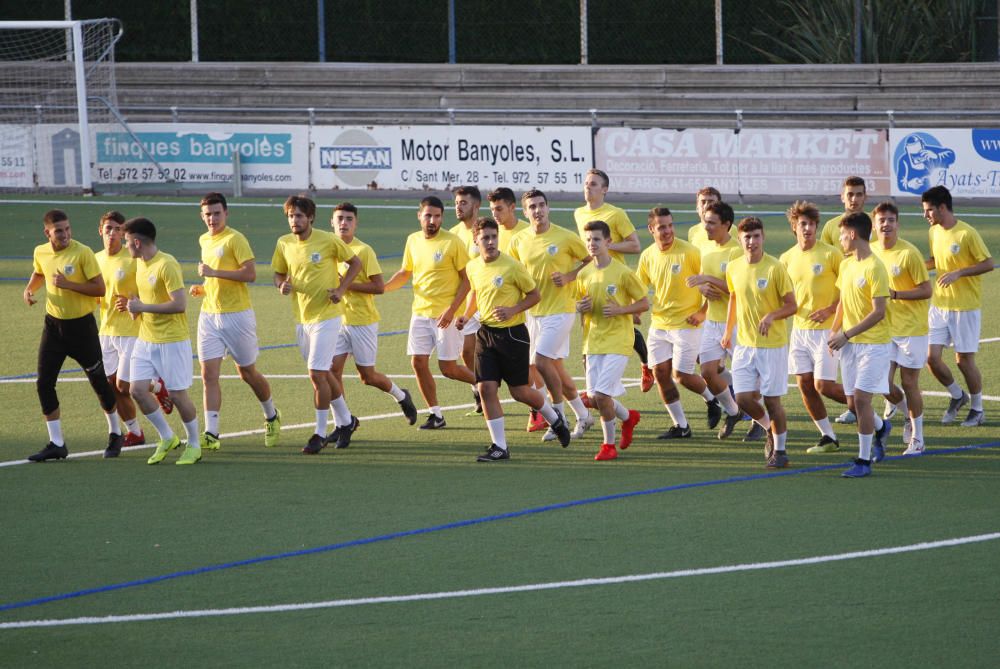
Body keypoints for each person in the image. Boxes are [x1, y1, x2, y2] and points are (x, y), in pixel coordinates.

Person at [459, 217, 570, 461]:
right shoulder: (473, 267)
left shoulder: (512, 266)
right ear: (475, 240)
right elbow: (475, 293)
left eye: (493, 236)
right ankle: (499, 446)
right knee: (485, 387)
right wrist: (466, 317)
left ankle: (555, 419)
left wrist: (513, 309)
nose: (490, 242)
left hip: (512, 335)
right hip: (486, 334)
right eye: (485, 237)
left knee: (519, 392)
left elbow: (535, 295)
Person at [23, 209, 122, 461]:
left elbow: (99, 287)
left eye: (67, 229)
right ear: (47, 233)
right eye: (59, 231)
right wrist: (29, 290)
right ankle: (57, 443)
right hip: (53, 327)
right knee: (44, 383)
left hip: (82, 329)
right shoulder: (40, 251)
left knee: (99, 382)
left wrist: (69, 285)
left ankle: (115, 432)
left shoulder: (83, 253)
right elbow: (39, 272)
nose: (65, 234)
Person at [190, 192, 280, 451]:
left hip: (237, 316)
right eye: (207, 214)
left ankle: (271, 415)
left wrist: (213, 273)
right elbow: (213, 278)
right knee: (208, 375)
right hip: (209, 316)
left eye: (217, 213)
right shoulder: (204, 239)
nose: (212, 219)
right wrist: (204, 287)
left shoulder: (235, 238)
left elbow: (250, 274)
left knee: (247, 372)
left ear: (226, 214)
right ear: (202, 216)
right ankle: (211, 433)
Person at [272, 195, 362, 453]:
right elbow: (278, 273)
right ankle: (347, 421)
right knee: (324, 374)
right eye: (291, 216)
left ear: (310, 217)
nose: (294, 220)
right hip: (302, 318)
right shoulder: (284, 243)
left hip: (328, 315)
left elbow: (355, 263)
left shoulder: (328, 240)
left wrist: (342, 288)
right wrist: (281, 285)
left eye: (299, 216)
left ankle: (319, 433)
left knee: (315, 373)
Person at [509, 189, 594, 441]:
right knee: (553, 368)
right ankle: (583, 414)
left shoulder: (566, 237)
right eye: (532, 207)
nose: (538, 210)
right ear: (525, 212)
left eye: (541, 205)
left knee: (541, 361)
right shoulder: (519, 240)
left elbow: (592, 261)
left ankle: (558, 419)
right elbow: (516, 273)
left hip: (561, 310)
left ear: (548, 208)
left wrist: (569, 276)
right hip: (533, 313)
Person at [385, 195, 476, 429]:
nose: (432, 220)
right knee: (418, 362)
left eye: (437, 216)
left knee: (449, 369)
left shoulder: (452, 242)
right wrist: (382, 289)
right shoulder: (413, 240)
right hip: (420, 314)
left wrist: (452, 310)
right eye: (428, 215)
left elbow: (467, 281)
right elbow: (405, 273)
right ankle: (436, 415)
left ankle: (486, 383)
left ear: (442, 218)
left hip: (446, 315)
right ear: (420, 216)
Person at [120, 217, 202, 465]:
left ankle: (195, 444)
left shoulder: (167, 265)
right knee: (137, 390)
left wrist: (143, 306)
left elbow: (179, 304)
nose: (125, 247)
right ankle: (167, 437)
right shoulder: (140, 265)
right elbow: (145, 300)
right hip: (146, 339)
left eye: (126, 242)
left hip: (172, 341)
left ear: (136, 242)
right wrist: (135, 309)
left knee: (178, 395)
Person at [637, 206, 725, 439]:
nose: (667, 231)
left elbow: (709, 285)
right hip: (659, 324)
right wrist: (633, 308)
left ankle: (712, 400)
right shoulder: (647, 256)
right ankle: (681, 426)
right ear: (651, 229)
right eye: (661, 227)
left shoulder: (690, 252)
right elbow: (638, 287)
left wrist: (703, 312)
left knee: (682, 375)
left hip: (688, 324)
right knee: (660, 374)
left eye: (670, 225)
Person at [329, 202, 418, 425]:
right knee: (330, 372)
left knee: (367, 377)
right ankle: (343, 422)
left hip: (362, 321)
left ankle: (401, 395)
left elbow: (378, 287)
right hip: (336, 321)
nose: (344, 223)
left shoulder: (363, 251)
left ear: (356, 224)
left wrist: (346, 286)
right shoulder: (327, 250)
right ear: (332, 222)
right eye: (339, 218)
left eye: (349, 219)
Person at [721, 217, 798, 468]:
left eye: (756, 236)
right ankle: (768, 429)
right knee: (742, 398)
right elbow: (733, 297)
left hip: (772, 346)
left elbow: (792, 305)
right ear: (740, 240)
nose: (752, 241)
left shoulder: (775, 268)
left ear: (763, 237)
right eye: (747, 237)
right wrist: (728, 330)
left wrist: (771, 315)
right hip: (744, 345)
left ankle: (781, 451)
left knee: (772, 401)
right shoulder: (733, 267)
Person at [95, 210, 173, 450]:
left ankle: (157, 386)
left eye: (118, 229)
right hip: (106, 330)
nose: (113, 234)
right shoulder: (96, 258)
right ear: (101, 231)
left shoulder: (133, 259)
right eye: (108, 229)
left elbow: (148, 288)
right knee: (110, 386)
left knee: (124, 385)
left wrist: (133, 302)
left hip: (131, 329)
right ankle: (134, 432)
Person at [573, 169, 652, 393]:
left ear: (604, 190)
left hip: (616, 277)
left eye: (594, 184)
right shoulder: (578, 213)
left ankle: (646, 365)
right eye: (586, 183)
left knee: (624, 321)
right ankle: (590, 366)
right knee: (591, 319)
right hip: (591, 276)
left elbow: (635, 246)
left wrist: (607, 246)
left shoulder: (615, 214)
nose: (588, 187)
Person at [779, 201, 849, 454]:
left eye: (811, 224)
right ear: (794, 228)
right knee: (805, 385)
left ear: (817, 227)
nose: (807, 228)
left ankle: (873, 420)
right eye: (802, 224)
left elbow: (848, 290)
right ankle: (828, 436)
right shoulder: (786, 259)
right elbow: (782, 296)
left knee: (824, 386)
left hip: (828, 330)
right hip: (800, 331)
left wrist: (831, 310)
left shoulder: (831, 254)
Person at [575, 221, 648, 461]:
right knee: (595, 398)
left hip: (619, 341)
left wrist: (621, 310)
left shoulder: (623, 273)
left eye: (596, 239)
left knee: (602, 395)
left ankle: (608, 445)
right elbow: (580, 305)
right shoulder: (584, 274)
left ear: (608, 242)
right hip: (593, 342)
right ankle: (628, 418)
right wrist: (580, 307)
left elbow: (644, 303)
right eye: (588, 240)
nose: (592, 244)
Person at [922, 185, 994, 426]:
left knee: (963, 361)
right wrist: (919, 266)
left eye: (929, 210)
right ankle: (957, 395)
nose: (926, 216)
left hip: (965, 307)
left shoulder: (967, 233)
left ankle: (977, 408)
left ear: (942, 208)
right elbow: (935, 260)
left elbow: (988, 263)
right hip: (939, 305)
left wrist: (959, 273)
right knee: (931, 357)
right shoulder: (934, 232)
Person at [828, 212, 894, 478]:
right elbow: (843, 302)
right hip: (850, 343)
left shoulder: (875, 267)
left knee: (862, 400)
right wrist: (834, 331)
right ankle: (881, 428)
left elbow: (879, 311)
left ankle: (863, 460)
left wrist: (847, 334)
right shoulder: (846, 265)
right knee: (854, 403)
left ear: (853, 234)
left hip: (873, 345)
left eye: (842, 235)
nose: (840, 240)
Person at [871, 201, 932, 454]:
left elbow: (926, 290)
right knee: (881, 383)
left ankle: (918, 438)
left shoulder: (909, 253)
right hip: (883, 329)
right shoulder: (869, 252)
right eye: (881, 220)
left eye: (891, 220)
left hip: (911, 329)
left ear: (898, 224)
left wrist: (895, 294)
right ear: (874, 225)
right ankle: (908, 413)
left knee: (909, 382)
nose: (886, 224)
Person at [488, 187, 547, 432]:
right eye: (492, 210)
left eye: (499, 209)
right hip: (511, 309)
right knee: (532, 364)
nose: (496, 215)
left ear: (513, 208)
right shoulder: (492, 234)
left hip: (536, 305)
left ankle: (546, 410)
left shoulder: (526, 230)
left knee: (539, 363)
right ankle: (543, 410)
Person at [685, 201, 744, 439]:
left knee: (746, 375)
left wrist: (707, 279)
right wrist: (704, 292)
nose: (706, 227)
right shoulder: (706, 251)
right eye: (705, 221)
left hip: (737, 322)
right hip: (713, 321)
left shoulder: (736, 251)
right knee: (708, 372)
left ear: (726, 225)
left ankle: (762, 426)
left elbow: (737, 290)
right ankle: (733, 411)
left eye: (711, 223)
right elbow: (707, 287)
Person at [820, 176, 869, 425]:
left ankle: (895, 403)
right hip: (842, 303)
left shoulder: (872, 224)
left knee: (877, 361)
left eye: (858, 194)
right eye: (850, 194)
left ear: (865, 197)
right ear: (842, 197)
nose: (854, 199)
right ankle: (854, 407)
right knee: (848, 360)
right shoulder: (831, 227)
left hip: (869, 301)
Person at [450, 186, 486, 415]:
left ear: (476, 205)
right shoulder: (452, 235)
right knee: (467, 351)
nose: (458, 207)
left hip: (491, 300)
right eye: (456, 203)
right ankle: (479, 390)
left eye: (463, 202)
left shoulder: (486, 230)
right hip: (468, 303)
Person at [687, 186, 722, 253]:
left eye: (711, 202)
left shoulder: (731, 230)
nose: (706, 206)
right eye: (703, 202)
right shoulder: (692, 231)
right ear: (697, 208)